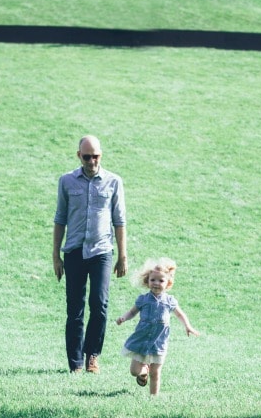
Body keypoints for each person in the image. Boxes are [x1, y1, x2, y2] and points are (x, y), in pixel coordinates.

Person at [53, 135, 127, 373]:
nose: (92, 161)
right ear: (79, 156)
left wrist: (122, 256)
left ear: (101, 156)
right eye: (87, 157)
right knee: (74, 309)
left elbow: (119, 220)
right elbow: (60, 218)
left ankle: (92, 355)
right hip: (74, 250)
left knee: (100, 303)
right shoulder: (66, 181)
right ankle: (74, 363)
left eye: (95, 156)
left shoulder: (114, 182)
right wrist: (56, 255)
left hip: (102, 251)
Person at [116, 257, 199, 395]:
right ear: (147, 281)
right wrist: (124, 318)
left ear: (168, 283)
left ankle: (154, 398)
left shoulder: (169, 301)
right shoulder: (143, 299)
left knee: (156, 373)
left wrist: (188, 326)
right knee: (134, 371)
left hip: (158, 342)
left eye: (161, 280)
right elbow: (132, 312)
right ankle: (144, 371)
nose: (156, 283)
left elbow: (180, 314)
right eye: (153, 280)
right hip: (141, 339)